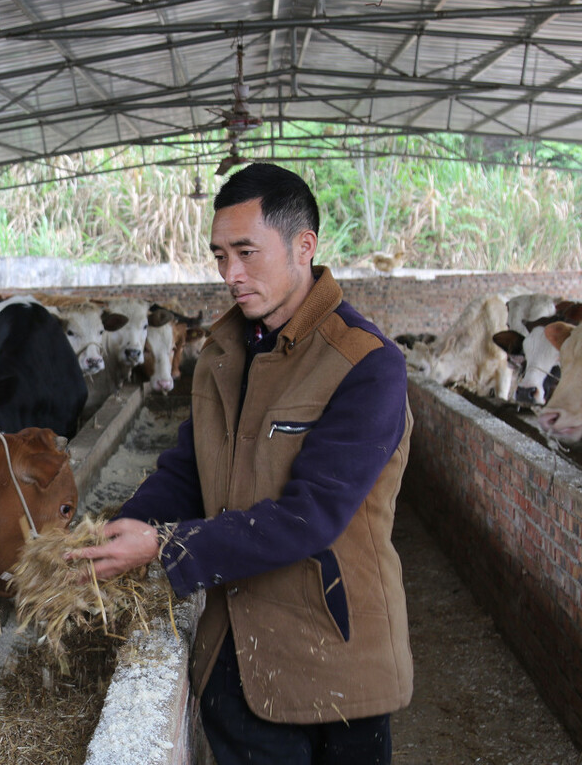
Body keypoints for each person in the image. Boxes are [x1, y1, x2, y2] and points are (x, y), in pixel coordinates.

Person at [69, 162, 413, 765]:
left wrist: (163, 547)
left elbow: (312, 516)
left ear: (303, 246)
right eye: (220, 255)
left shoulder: (364, 363)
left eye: (247, 253)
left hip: (337, 656)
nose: (230, 274)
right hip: (235, 652)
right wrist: (123, 529)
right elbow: (191, 467)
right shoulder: (224, 351)